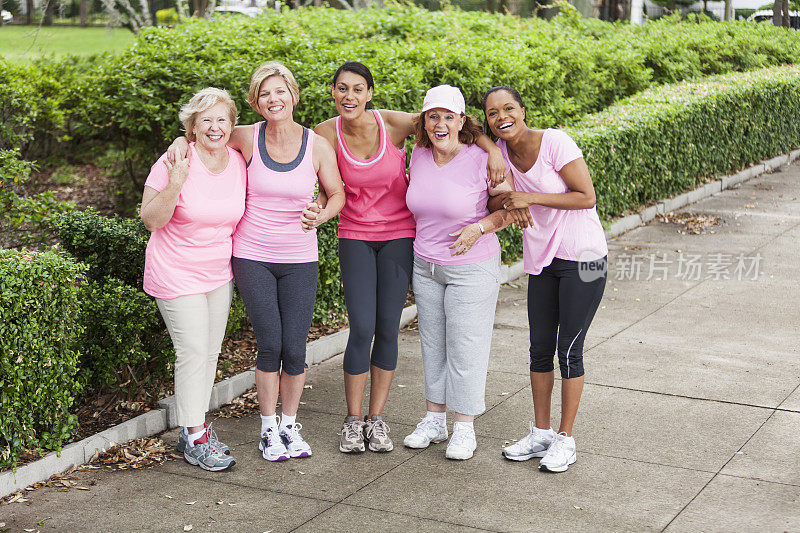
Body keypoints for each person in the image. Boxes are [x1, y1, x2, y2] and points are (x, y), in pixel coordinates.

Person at [313, 63, 509, 454]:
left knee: (419, 335)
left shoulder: (418, 135)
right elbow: (321, 178)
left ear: (370, 93)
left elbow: (502, 203)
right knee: (382, 332)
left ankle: (422, 423)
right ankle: (367, 421)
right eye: (341, 89)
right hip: (386, 247)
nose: (349, 96)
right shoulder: (336, 135)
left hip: (423, 247)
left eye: (358, 89)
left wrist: (491, 151)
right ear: (333, 93)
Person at [169, 62, 346, 462]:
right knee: (270, 344)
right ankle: (267, 431)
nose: (273, 99)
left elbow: (337, 194)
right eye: (265, 94)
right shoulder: (246, 137)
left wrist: (322, 213)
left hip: (300, 258)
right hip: (252, 257)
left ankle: (288, 426)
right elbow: (202, 135)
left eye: (280, 91)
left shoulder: (317, 145)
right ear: (254, 102)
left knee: (295, 348)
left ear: (293, 95)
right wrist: (178, 144)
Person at [482, 85, 607, 473]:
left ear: (523, 110)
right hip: (542, 260)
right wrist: (505, 198)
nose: (502, 117)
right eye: (492, 113)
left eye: (508, 108)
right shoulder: (498, 154)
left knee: (569, 349)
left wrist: (529, 198)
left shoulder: (555, 142)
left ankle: (565, 440)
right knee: (539, 349)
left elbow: (586, 196)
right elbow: (492, 201)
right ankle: (541, 433)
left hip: (584, 256)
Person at [402, 85, 514, 461]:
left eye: (449, 116)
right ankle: (436, 420)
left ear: (463, 121)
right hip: (426, 265)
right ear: (423, 122)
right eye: (433, 116)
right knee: (433, 344)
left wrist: (479, 228)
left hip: (472, 268)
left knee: (466, 346)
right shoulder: (417, 154)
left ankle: (465, 427)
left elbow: (509, 208)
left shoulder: (483, 160)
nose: (440, 124)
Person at [141, 87, 245, 472]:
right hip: (175, 270)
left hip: (218, 273)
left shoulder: (238, 160)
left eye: (222, 120)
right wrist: (177, 180)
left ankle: (192, 430)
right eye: (206, 121)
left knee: (210, 351)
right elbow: (151, 220)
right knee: (193, 352)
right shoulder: (173, 161)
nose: (215, 128)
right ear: (192, 127)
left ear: (232, 125)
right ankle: (197, 436)